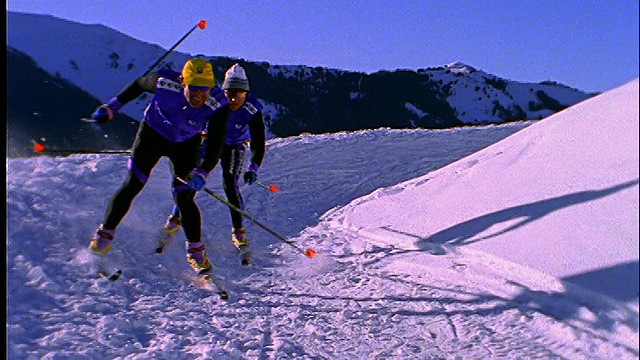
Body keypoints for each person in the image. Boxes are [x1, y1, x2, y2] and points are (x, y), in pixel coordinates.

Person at [87, 57, 230, 273]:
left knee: (184, 196)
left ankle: (196, 252)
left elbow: (216, 143)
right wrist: (111, 107)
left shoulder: (218, 103)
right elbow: (138, 84)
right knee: (134, 183)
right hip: (152, 135)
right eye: (194, 88)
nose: (200, 94)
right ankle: (103, 237)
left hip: (185, 143)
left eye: (205, 89)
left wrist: (203, 171)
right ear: (183, 82)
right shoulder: (164, 82)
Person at [162, 63, 265, 250]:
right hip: (211, 142)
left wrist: (253, 167)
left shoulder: (252, 109)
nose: (234, 99)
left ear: (246, 94)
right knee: (192, 177)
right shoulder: (214, 100)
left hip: (234, 146)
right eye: (229, 94)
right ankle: (177, 215)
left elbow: (258, 141)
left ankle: (238, 230)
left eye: (239, 94)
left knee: (230, 184)